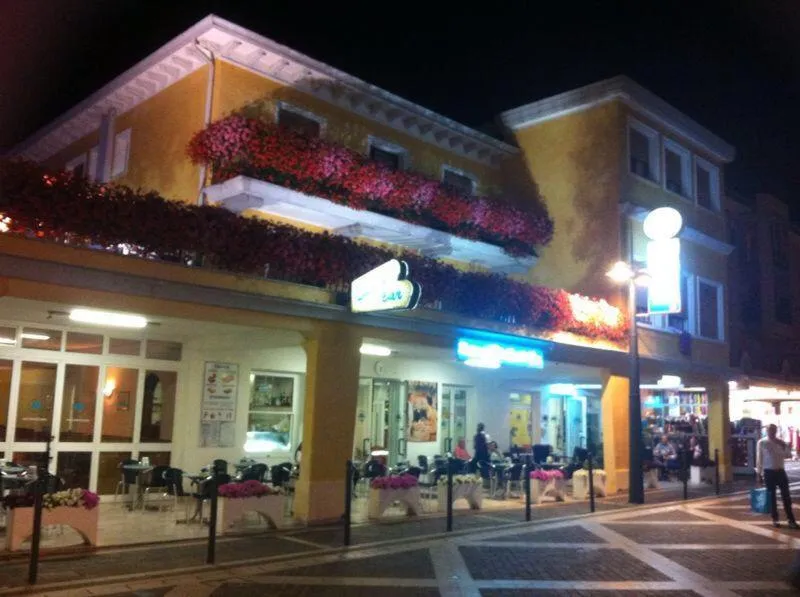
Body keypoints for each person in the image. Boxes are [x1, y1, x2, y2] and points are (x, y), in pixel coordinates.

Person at [756, 423, 798, 529]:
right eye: (770, 430)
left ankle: (791, 520)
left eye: (774, 430)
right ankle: (775, 519)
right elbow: (759, 459)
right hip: (768, 472)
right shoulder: (762, 442)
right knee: (772, 497)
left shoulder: (780, 442)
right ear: (767, 430)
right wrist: (759, 474)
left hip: (781, 472)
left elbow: (788, 455)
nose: (772, 432)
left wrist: (785, 446)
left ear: (776, 431)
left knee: (786, 497)